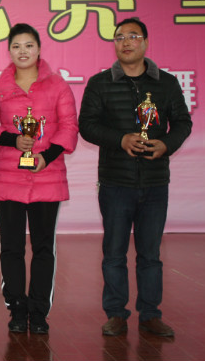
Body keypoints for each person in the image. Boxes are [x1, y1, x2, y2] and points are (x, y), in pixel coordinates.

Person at [79, 17, 192, 337]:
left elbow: (182, 123)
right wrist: (121, 140)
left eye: (133, 36)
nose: (126, 42)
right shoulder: (100, 83)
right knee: (114, 252)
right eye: (119, 37)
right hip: (115, 182)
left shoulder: (166, 83)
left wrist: (166, 144)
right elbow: (86, 125)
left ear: (145, 42)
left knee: (150, 254)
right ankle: (116, 313)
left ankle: (150, 314)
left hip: (155, 182)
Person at [0, 23, 78, 334]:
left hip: (47, 177)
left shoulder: (58, 85)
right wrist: (13, 140)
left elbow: (69, 126)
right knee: (11, 248)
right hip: (8, 177)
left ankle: (38, 312)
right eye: (16, 46)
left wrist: (46, 157)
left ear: (39, 49)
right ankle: (16, 307)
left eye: (28, 45)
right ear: (9, 51)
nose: (22, 51)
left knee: (43, 248)